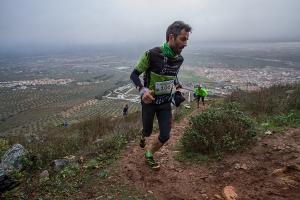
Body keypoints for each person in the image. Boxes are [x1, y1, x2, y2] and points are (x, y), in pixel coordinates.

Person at [130, 21, 192, 170]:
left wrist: (177, 88)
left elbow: (173, 74)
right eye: (183, 39)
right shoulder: (152, 54)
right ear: (171, 37)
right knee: (148, 131)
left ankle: (149, 154)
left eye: (187, 40)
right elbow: (134, 75)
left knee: (165, 135)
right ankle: (143, 135)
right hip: (149, 102)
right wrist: (142, 90)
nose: (186, 44)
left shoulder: (179, 59)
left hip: (165, 103)